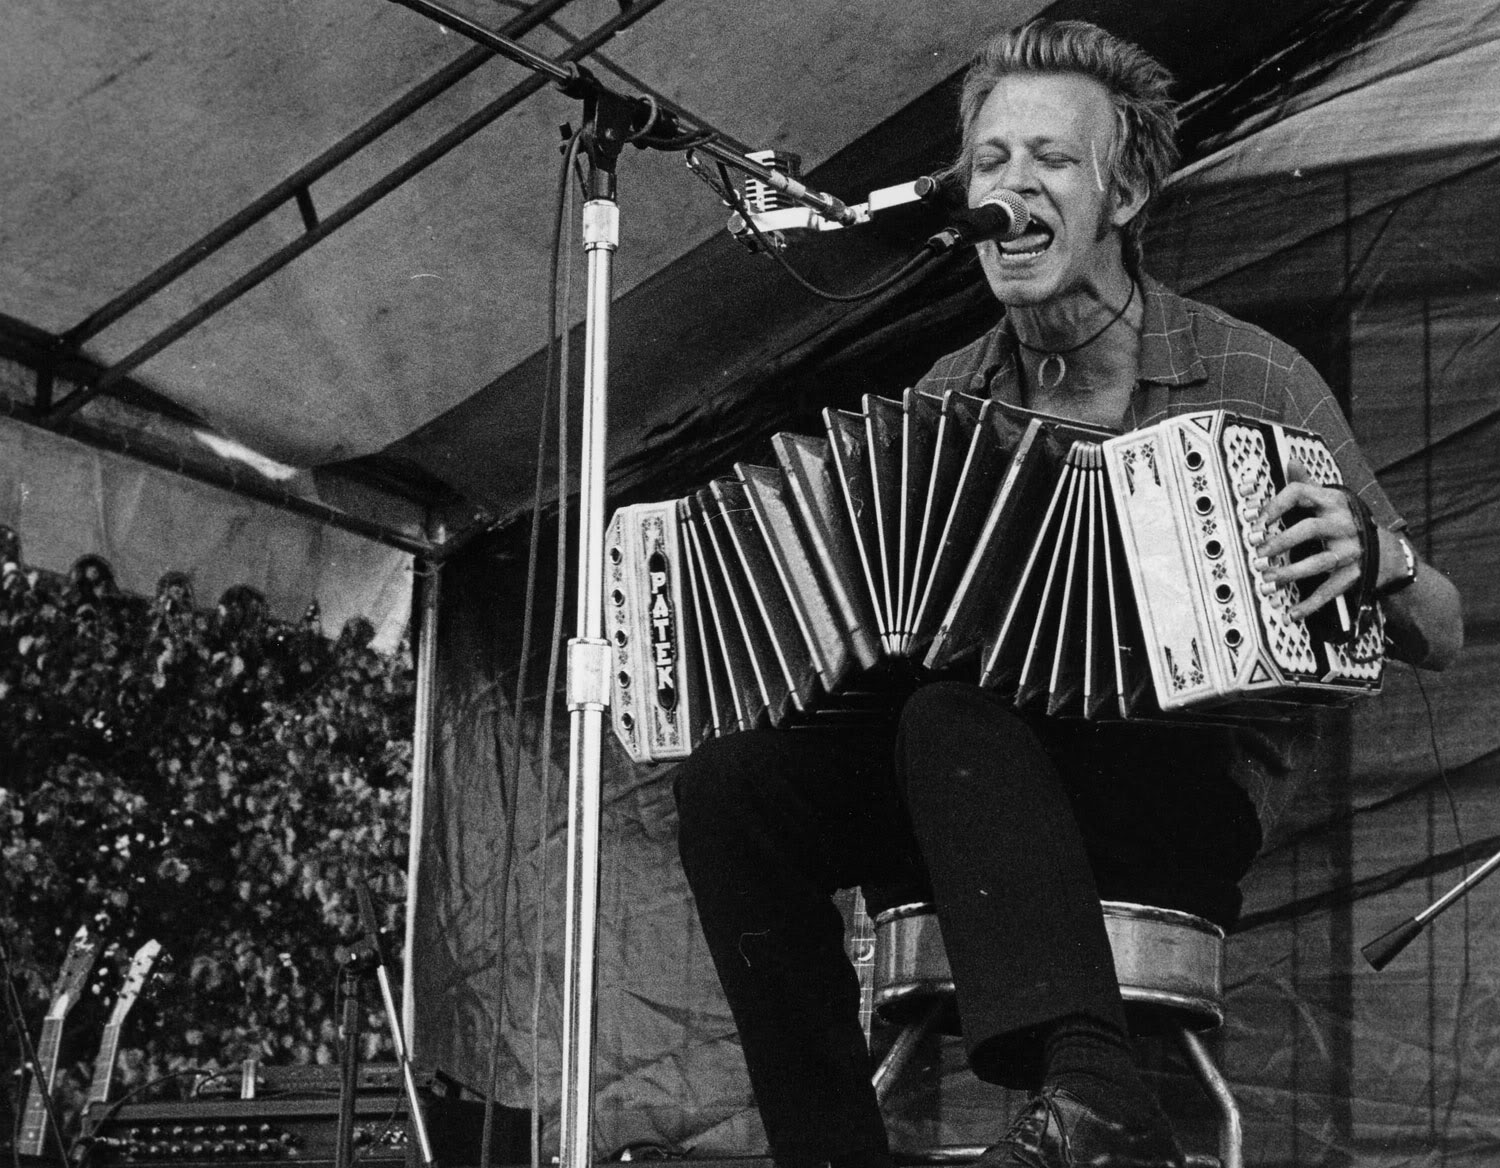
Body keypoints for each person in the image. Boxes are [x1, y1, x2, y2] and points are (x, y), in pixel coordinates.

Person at [673, 19, 1463, 1168]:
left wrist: (1376, 558)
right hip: (970, 795)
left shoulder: (1249, 374)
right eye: (990, 162)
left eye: (1048, 159)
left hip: (1176, 793)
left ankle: (1098, 1098)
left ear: (1126, 191)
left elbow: (1437, 628)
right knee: (734, 785)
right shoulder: (949, 401)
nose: (1010, 188)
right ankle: (830, 1149)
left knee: (951, 715)